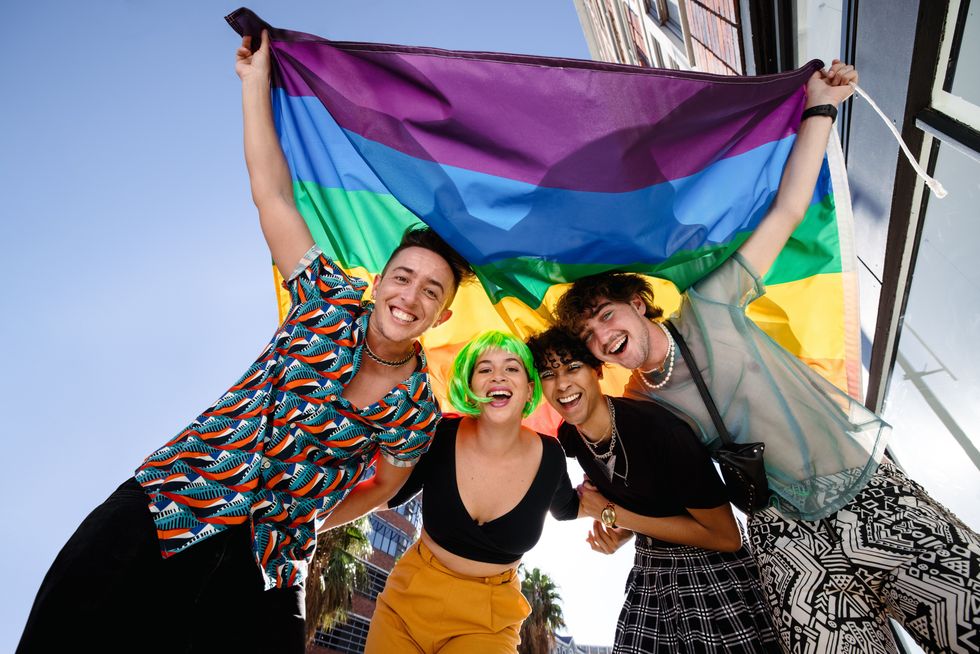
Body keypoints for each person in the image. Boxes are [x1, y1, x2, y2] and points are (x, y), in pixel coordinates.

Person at [18, 30, 473, 654]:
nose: (410, 296)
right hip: (170, 505)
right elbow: (271, 192)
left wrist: (308, 518)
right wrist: (254, 83)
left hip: (266, 569)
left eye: (431, 292)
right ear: (379, 282)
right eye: (403, 277)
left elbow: (385, 487)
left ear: (442, 317)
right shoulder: (326, 299)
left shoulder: (416, 411)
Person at [554, 61, 980, 654]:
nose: (602, 335)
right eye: (590, 337)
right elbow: (663, 491)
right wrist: (615, 527)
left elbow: (787, 211)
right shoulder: (637, 405)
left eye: (605, 315)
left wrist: (820, 108)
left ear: (637, 303)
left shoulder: (712, 303)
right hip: (786, 543)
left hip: (869, 493)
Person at [527, 327, 781, 653]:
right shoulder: (571, 440)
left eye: (573, 367)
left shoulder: (659, 432)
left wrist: (612, 514)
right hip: (650, 569)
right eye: (549, 374)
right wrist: (621, 531)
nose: (562, 384)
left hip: (714, 574)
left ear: (598, 370)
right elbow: (575, 506)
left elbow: (726, 537)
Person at [327, 330, 581, 653]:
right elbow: (383, 494)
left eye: (512, 368)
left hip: (489, 622)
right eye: (484, 369)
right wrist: (304, 522)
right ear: (471, 387)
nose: (497, 376)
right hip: (408, 603)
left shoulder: (551, 457)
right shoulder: (441, 435)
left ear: (530, 387)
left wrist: (614, 517)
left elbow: (571, 507)